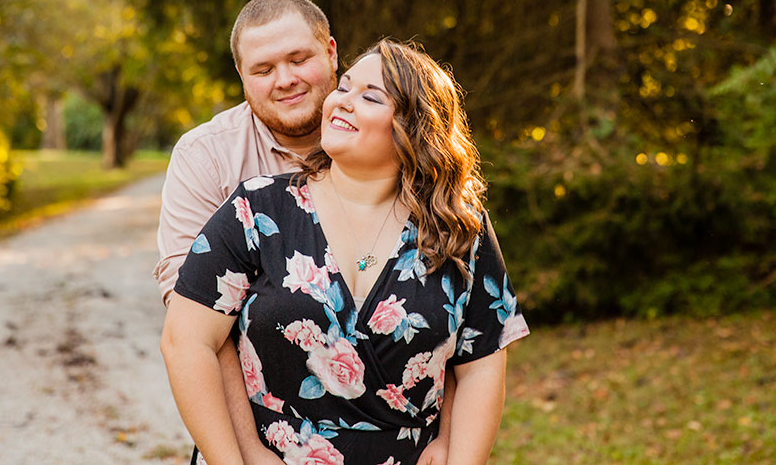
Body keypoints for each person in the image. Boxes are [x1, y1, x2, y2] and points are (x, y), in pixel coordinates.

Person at [161, 39, 530, 464]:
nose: (343, 102)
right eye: (345, 87)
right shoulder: (255, 211)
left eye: (370, 96)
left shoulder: (459, 230)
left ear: (414, 128)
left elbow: (481, 365)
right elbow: (185, 343)